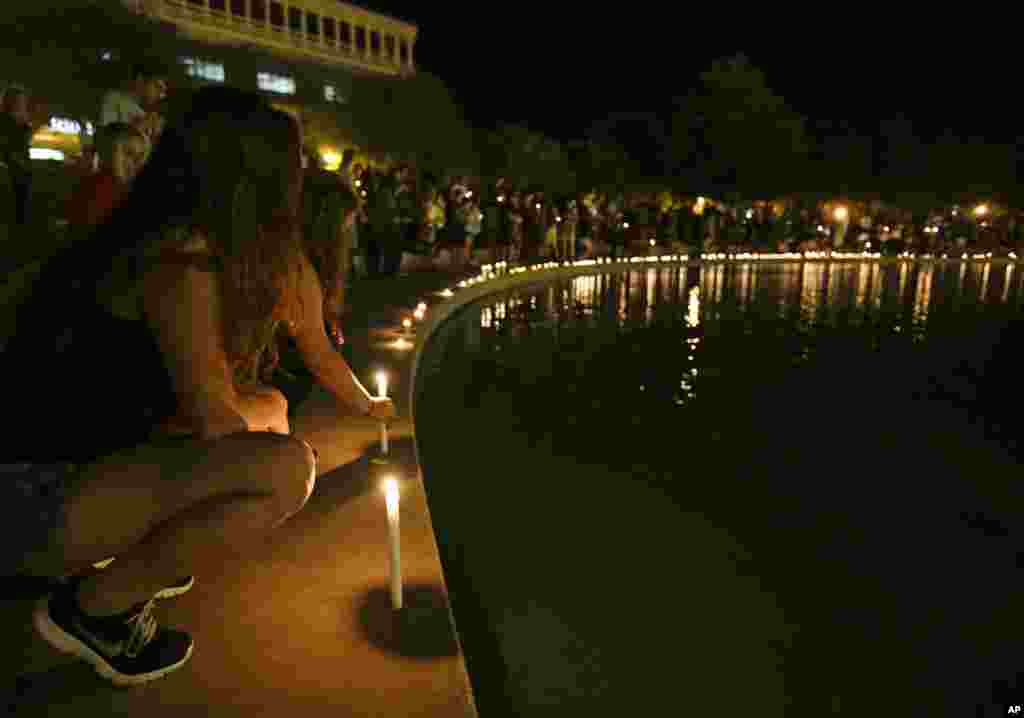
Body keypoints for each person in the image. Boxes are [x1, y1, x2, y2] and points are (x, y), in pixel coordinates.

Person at [1, 86, 393, 686]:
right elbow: (214, 421)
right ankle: (95, 609)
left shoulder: (163, 240)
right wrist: (214, 519)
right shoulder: (178, 261)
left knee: (271, 413)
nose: (300, 182)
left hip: (65, 472)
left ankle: (126, 572)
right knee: (283, 471)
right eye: (293, 168)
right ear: (254, 180)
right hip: (30, 502)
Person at [64, 122, 148, 229]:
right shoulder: (94, 191)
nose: (135, 163)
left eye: (138, 157)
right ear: (106, 152)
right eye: (128, 153)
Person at [1, 85, 49, 226]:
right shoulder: (11, 123)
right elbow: (19, 139)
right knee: (17, 214)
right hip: (14, 176)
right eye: (22, 102)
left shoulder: (13, 122)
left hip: (16, 173)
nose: (25, 105)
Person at [100, 60, 168, 150]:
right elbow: (107, 141)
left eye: (162, 91)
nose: (160, 95)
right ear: (140, 80)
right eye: (156, 86)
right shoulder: (115, 100)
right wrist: (142, 126)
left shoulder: (148, 115)